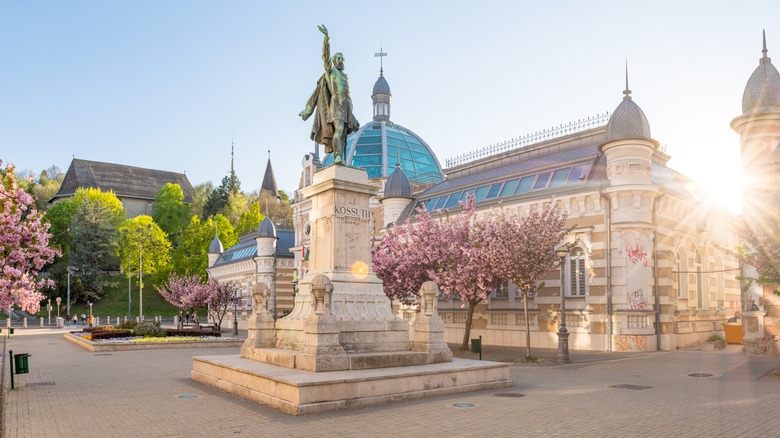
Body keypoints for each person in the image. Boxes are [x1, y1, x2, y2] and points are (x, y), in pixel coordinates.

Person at [299, 24, 359, 164]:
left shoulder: (345, 76)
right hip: (337, 102)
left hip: (348, 103)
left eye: (341, 59)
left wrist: (353, 116)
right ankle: (338, 156)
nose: (339, 61)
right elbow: (325, 57)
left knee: (344, 132)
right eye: (337, 59)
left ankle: (341, 160)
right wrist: (327, 39)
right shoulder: (332, 72)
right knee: (339, 129)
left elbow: (348, 96)